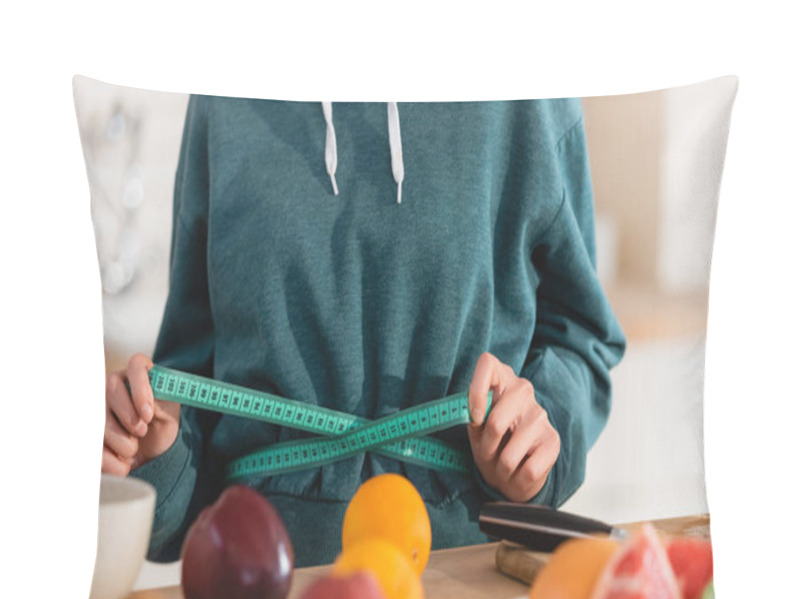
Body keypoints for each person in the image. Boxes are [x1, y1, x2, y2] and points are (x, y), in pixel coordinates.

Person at [102, 97, 626, 567]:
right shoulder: (224, 93)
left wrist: (537, 436)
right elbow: (186, 393)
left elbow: (581, 336)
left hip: (468, 585)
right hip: (253, 588)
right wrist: (156, 453)